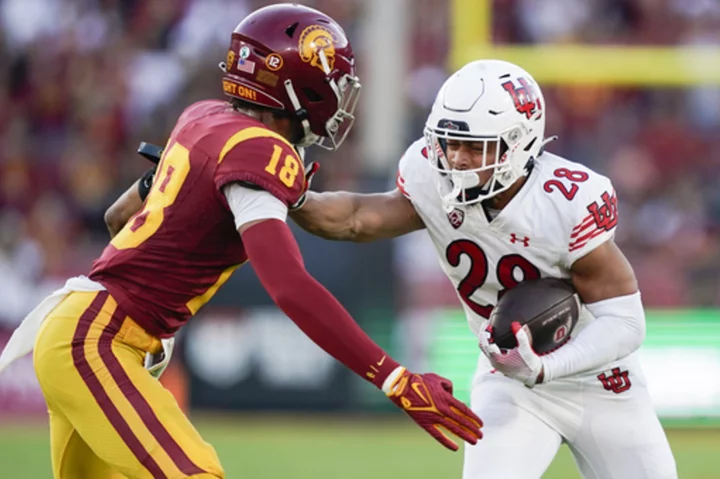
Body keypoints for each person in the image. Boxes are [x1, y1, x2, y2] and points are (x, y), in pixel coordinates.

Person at [0, 5, 482, 478]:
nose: (340, 94)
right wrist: (394, 378)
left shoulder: (203, 117)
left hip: (76, 330)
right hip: (96, 342)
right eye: (334, 81)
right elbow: (290, 287)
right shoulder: (261, 152)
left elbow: (119, 215)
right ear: (298, 85)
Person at [291, 59, 678, 478]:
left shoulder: (567, 200)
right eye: (450, 143)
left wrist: (546, 367)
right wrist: (295, 197)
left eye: (476, 146)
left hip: (600, 380)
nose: (457, 159)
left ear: (520, 142)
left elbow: (624, 321)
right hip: (509, 381)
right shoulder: (429, 175)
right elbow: (355, 218)